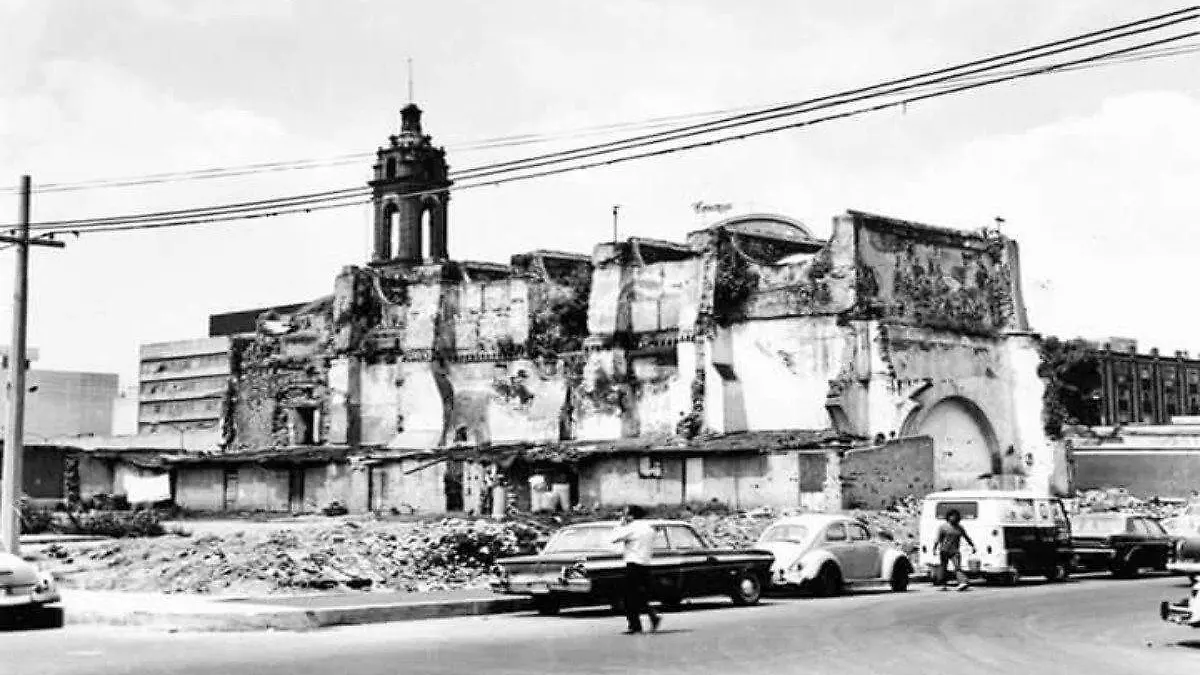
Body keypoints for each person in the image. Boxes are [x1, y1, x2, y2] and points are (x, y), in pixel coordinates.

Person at [610, 505, 662, 634]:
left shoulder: (631, 528)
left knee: (629, 597)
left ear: (631, 516)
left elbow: (613, 538)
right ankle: (652, 615)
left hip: (633, 564)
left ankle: (635, 625)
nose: (624, 516)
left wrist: (620, 524)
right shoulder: (649, 529)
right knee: (639, 595)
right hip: (646, 564)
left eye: (626, 514)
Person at [932, 508, 977, 591]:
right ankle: (943, 584)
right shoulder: (943, 527)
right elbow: (938, 539)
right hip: (944, 550)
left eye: (955, 516)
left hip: (955, 551)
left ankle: (962, 582)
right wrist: (934, 549)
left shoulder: (959, 528)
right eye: (952, 516)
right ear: (948, 517)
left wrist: (972, 546)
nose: (954, 518)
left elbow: (966, 537)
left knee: (957, 567)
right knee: (943, 568)